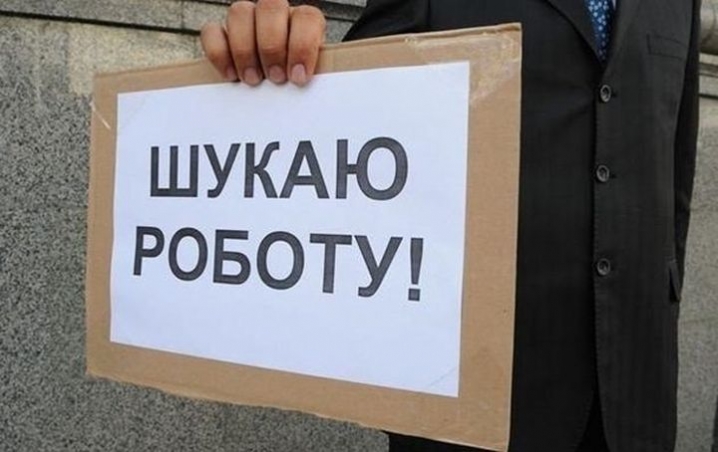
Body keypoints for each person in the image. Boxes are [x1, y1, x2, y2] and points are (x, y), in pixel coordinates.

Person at [200, 1, 700, 451]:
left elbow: (674, 178)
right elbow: (343, 140)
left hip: (636, 392)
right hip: (479, 397)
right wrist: (272, 67)